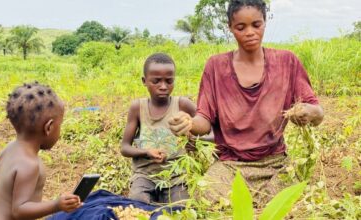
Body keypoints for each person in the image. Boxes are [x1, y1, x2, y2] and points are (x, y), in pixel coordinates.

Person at [168, 0, 324, 207]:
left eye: (256, 25)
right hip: (230, 165)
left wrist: (307, 112)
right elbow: (204, 119)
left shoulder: (287, 62)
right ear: (230, 28)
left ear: (265, 23)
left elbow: (317, 113)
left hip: (275, 163)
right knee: (207, 198)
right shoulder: (216, 67)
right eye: (241, 27)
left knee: (287, 204)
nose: (250, 32)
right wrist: (189, 124)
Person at [0, 82, 82, 220]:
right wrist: (56, 205)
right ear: (49, 127)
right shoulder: (30, 164)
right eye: (60, 125)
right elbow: (19, 210)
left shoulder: (10, 147)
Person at [120, 53, 197, 204]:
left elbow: (211, 130)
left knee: (181, 208)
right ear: (144, 81)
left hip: (176, 176)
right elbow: (125, 148)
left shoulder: (182, 104)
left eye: (169, 81)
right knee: (137, 203)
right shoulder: (138, 108)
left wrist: (194, 140)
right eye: (156, 81)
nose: (163, 86)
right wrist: (146, 152)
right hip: (144, 175)